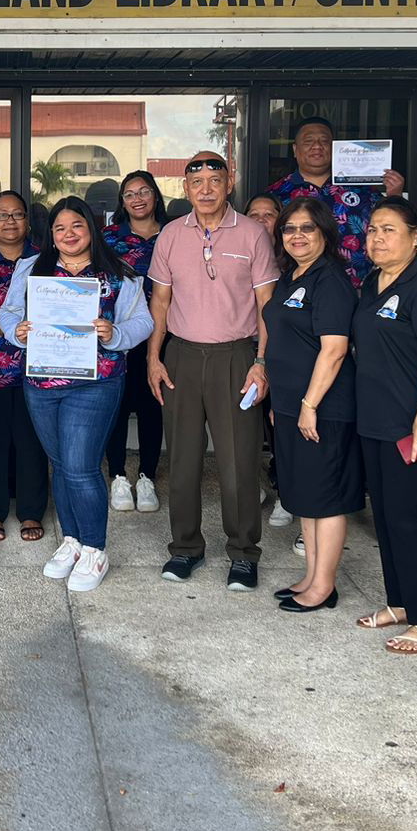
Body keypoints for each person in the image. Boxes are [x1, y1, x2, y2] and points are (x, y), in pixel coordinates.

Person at [0, 197, 153, 592]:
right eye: (60, 229)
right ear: (51, 235)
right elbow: (9, 311)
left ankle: (95, 548)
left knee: (82, 466)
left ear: (92, 228)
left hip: (95, 383)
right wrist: (15, 331)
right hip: (43, 382)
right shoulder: (32, 269)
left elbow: (143, 321)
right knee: (61, 463)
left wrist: (115, 333)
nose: (69, 235)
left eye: (77, 226)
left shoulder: (119, 273)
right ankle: (71, 540)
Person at [147, 152, 276, 591]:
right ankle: (185, 549)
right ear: (185, 188)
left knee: (238, 460)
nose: (205, 189)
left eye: (214, 180)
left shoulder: (253, 233)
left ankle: (243, 553)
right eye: (196, 181)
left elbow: (267, 307)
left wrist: (261, 362)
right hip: (182, 354)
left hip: (237, 356)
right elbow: (160, 303)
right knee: (181, 459)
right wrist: (154, 356)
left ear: (230, 183)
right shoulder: (169, 235)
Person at [351, 197, 417, 655]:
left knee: (407, 520)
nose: (377, 237)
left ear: (416, 238)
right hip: (375, 417)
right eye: (373, 229)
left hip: (411, 425)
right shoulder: (373, 282)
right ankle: (399, 602)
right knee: (386, 518)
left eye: (389, 230)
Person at [262, 198, 360, 614]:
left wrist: (308, 404)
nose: (297, 236)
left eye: (307, 229)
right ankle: (312, 576)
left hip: (323, 406)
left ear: (324, 234)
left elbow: (334, 350)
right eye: (289, 229)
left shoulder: (330, 279)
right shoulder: (292, 276)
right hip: (291, 404)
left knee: (326, 497)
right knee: (305, 494)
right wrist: (283, 403)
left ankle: (324, 585)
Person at [0, 191, 46, 543]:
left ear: (27, 221)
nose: (10, 221)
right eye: (2, 216)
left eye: (17, 215)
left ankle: (31, 510)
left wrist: (28, 329)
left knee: (32, 442)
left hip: (38, 368)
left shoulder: (46, 261)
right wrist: (15, 329)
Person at [267, 115, 405, 286]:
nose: (317, 146)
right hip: (297, 292)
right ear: (295, 150)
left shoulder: (361, 189)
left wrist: (395, 195)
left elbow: (390, 227)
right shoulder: (277, 194)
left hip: (359, 288)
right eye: (308, 141)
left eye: (324, 141)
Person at [102, 170, 166, 513]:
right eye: (129, 194)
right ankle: (117, 476)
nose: (137, 199)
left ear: (155, 196)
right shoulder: (109, 238)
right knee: (117, 405)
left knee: (151, 405)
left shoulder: (173, 235)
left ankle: (147, 476)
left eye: (144, 191)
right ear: (122, 202)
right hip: (119, 335)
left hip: (163, 334)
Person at [248, 192, 291, 529]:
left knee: (281, 426)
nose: (262, 220)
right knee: (250, 423)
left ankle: (287, 494)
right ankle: (255, 486)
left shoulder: (293, 257)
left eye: (269, 214)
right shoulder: (239, 250)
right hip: (245, 347)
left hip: (285, 353)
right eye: (255, 214)